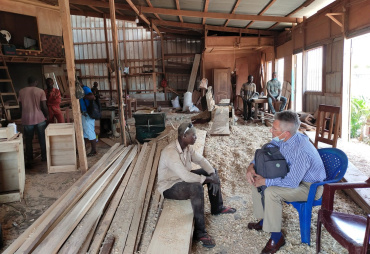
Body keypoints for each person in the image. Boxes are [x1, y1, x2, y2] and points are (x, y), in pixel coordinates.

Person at [246, 111, 326, 254]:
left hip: (309, 187)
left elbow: (292, 182)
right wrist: (251, 166)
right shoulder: (283, 139)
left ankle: (277, 238)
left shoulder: (302, 151)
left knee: (271, 191)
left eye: (274, 129)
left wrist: (266, 181)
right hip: (294, 177)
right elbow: (267, 150)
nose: (271, 130)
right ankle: (265, 219)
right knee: (257, 179)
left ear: (286, 133)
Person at [157, 122, 236, 248]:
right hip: (170, 186)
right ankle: (200, 232)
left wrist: (212, 175)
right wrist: (209, 179)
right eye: (193, 135)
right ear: (184, 136)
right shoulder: (170, 152)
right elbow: (186, 177)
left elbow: (201, 160)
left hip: (181, 179)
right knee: (197, 188)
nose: (196, 138)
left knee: (213, 171)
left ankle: (217, 207)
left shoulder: (187, 147)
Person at [18, 76, 49, 168]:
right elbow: (44, 106)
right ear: (36, 82)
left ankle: (30, 158)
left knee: (28, 139)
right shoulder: (40, 91)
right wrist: (47, 115)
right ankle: (44, 157)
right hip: (39, 118)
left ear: (28, 82)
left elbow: (20, 107)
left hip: (27, 119)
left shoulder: (21, 91)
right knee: (42, 138)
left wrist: (23, 115)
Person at [79, 79, 97, 156]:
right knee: (85, 132)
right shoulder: (80, 90)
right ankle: (83, 148)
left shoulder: (85, 89)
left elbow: (92, 96)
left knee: (89, 131)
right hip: (84, 113)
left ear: (79, 82)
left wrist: (82, 95)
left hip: (88, 113)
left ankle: (94, 150)